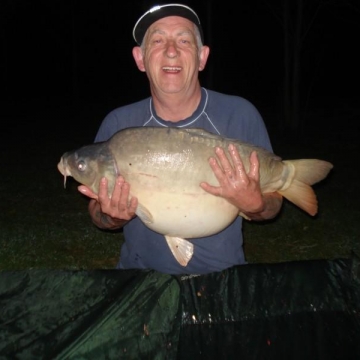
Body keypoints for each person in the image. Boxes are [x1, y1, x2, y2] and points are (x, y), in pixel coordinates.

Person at [78, 3, 283, 275]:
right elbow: (97, 212)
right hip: (138, 275)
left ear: (202, 56)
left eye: (184, 40)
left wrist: (256, 204)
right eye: (158, 40)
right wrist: (111, 216)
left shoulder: (240, 115)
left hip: (222, 276)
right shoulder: (119, 125)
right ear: (140, 58)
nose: (171, 51)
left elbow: (274, 201)